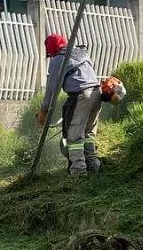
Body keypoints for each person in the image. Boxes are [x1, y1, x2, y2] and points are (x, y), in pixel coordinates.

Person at [37, 33, 103, 176]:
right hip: (97, 93)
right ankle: (93, 165)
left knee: (74, 136)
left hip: (82, 96)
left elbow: (52, 89)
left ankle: (78, 171)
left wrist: (44, 110)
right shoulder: (82, 54)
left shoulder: (58, 60)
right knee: (88, 133)